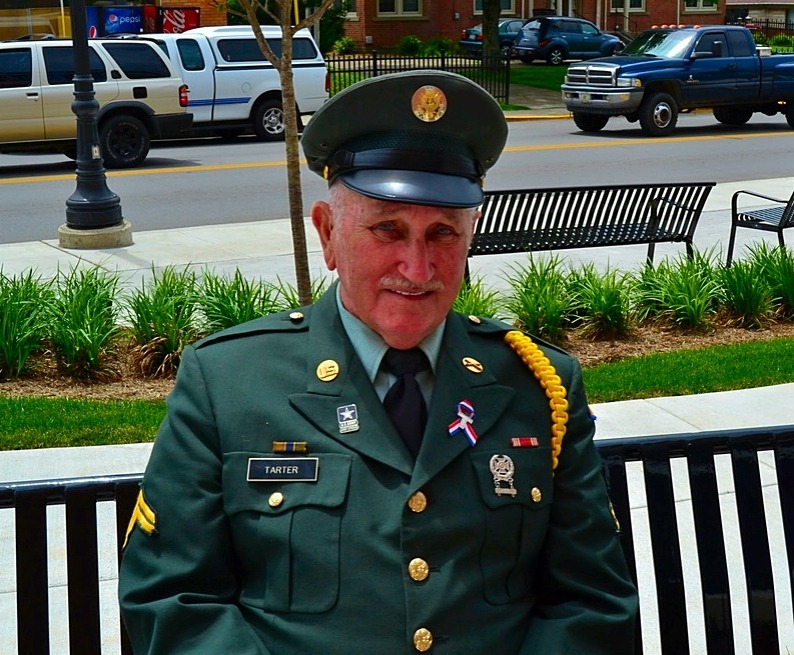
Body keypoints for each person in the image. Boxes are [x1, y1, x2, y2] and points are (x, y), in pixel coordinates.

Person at [118, 70, 638, 654]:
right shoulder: (229, 382)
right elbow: (173, 599)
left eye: (443, 233)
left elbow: (591, 601)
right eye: (387, 229)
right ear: (328, 234)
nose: (417, 269)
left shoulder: (535, 385)